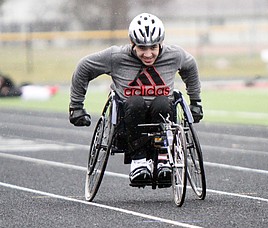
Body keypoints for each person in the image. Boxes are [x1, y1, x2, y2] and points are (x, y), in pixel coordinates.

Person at [69, 13, 203, 186]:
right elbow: (84, 67)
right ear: (132, 44)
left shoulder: (175, 55)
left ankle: (163, 158)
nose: (148, 54)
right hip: (129, 118)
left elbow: (190, 68)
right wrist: (76, 105)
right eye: (142, 48)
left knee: (162, 101)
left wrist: (195, 101)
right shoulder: (116, 57)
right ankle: (138, 161)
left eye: (153, 47)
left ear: (161, 43)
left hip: (164, 116)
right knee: (135, 101)